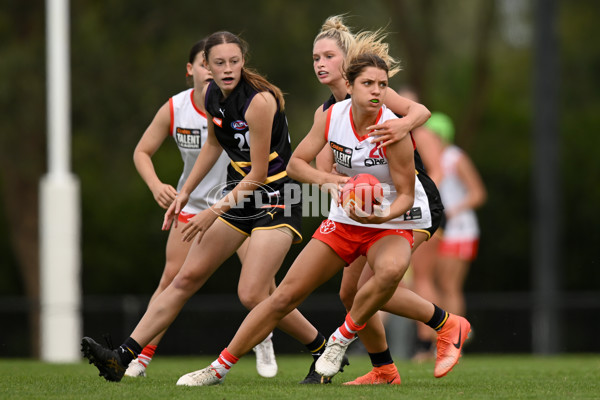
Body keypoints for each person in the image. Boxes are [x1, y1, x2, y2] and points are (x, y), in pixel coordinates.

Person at [174, 41, 470, 387]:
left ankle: (341, 341)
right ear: (351, 84)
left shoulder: (393, 129)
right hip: (350, 215)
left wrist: (380, 212)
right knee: (290, 296)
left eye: (382, 85)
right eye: (316, 57)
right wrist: (332, 183)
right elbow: (298, 164)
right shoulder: (330, 115)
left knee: (385, 274)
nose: (376, 90)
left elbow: (406, 189)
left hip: (397, 215)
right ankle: (218, 369)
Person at [81, 31, 331, 383]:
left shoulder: (259, 102)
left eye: (234, 61)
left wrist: (211, 211)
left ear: (243, 61)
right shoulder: (213, 94)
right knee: (184, 278)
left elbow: (259, 174)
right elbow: (214, 145)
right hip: (241, 196)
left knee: (253, 293)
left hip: (276, 198)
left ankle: (323, 349)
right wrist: (186, 191)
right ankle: (121, 357)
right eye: (219, 63)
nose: (227, 69)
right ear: (206, 66)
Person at [310, 16, 465, 385]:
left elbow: (421, 112)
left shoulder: (374, 92)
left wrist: (402, 124)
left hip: (412, 203)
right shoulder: (329, 112)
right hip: (368, 208)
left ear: (347, 66)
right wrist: (338, 190)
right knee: (351, 294)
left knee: (372, 286)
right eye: (315, 56)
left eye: (328, 56)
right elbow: (320, 164)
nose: (320, 64)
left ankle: (446, 325)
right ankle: (384, 369)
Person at [124, 39, 276, 378]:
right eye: (209, 64)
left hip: (239, 202)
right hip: (193, 206)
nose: (217, 70)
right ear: (193, 68)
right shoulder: (177, 107)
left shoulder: (245, 102)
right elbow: (141, 152)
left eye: (228, 62)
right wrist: (159, 187)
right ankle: (141, 357)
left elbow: (261, 164)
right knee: (172, 280)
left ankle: (263, 339)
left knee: (261, 285)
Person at [412, 112, 487, 358]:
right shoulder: (429, 161)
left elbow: (478, 193)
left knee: (450, 286)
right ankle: (442, 339)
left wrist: (453, 210)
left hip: (460, 229)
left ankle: (456, 342)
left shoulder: (455, 158)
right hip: (441, 226)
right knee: (434, 283)